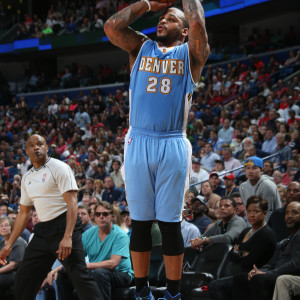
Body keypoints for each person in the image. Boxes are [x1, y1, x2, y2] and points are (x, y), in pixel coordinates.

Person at [104, 0, 210, 299]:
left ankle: (173, 294)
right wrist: (147, 4)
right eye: (160, 18)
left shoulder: (191, 54)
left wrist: (188, 4)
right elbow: (112, 27)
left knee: (169, 224)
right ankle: (141, 291)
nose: (161, 21)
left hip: (172, 140)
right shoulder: (141, 47)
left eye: (171, 19)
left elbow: (200, 24)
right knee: (139, 222)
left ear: (186, 30)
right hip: (139, 139)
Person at [0, 134, 103, 300]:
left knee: (80, 277)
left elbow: (72, 203)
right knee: (24, 279)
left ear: (46, 147)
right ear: (26, 151)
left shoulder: (59, 167)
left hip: (64, 225)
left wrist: (68, 236)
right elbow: (24, 213)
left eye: (40, 144)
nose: (36, 147)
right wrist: (9, 244)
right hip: (43, 230)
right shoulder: (26, 177)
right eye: (32, 145)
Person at [48, 201, 133, 300]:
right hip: (97, 272)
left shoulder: (120, 235)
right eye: (98, 214)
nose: (101, 217)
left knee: (99, 273)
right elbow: (75, 259)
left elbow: (113, 263)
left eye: (105, 214)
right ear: (94, 217)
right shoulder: (88, 235)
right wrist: (58, 269)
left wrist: (86, 266)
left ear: (112, 216)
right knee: (63, 276)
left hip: (121, 274)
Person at [207, 196, 277, 300]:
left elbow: (249, 261)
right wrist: (242, 253)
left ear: (265, 212)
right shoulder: (246, 231)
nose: (252, 215)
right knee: (213, 285)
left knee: (216, 286)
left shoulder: (267, 234)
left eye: (256, 211)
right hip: (240, 275)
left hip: (254, 277)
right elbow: (231, 255)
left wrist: (238, 252)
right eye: (249, 211)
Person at [231, 201, 300, 300]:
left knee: (258, 279)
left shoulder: (298, 236)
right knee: (241, 278)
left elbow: (295, 263)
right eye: (287, 212)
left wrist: (268, 273)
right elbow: (273, 262)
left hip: (289, 275)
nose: (290, 216)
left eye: (295, 212)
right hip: (277, 272)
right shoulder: (289, 238)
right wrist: (259, 271)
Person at [240, 156, 281, 222]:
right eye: (248, 168)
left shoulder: (267, 185)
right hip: (254, 224)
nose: (250, 171)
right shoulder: (242, 186)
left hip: (272, 224)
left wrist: (260, 230)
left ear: (261, 171)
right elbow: (247, 210)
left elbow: (268, 212)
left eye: (254, 168)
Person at [0, 217, 27, 297]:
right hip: (4, 273)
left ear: (12, 227)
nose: (3, 228)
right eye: (1, 226)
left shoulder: (18, 242)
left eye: (6, 225)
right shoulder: (1, 243)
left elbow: (14, 265)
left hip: (16, 273)